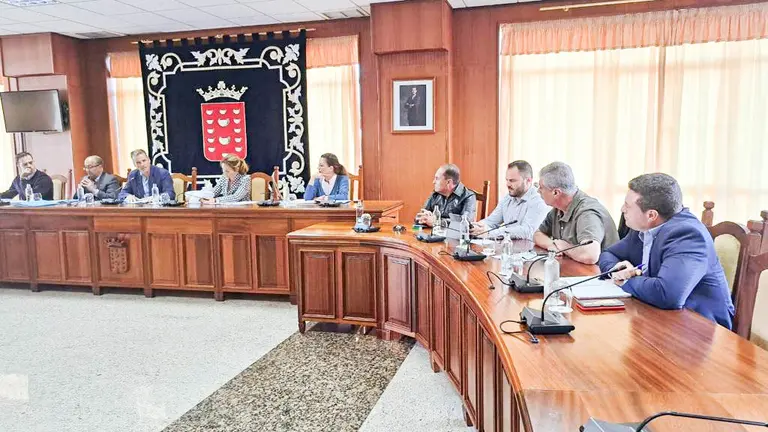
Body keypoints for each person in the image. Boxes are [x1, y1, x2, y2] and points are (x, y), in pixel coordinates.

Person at [599, 173, 733, 329]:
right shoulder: (642, 227)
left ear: (651, 215)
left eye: (627, 206)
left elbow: (667, 294)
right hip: (657, 315)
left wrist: (626, 280)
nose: (622, 209)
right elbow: (609, 254)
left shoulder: (688, 235)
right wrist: (618, 270)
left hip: (699, 328)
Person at [533, 162, 618, 264]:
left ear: (556, 193)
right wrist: (552, 245)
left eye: (541, 187)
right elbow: (538, 234)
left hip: (601, 274)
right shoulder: (558, 209)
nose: (538, 191)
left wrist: (564, 247)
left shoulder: (586, 212)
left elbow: (590, 255)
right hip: (576, 270)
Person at [469, 160, 549, 240]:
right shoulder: (508, 197)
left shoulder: (539, 200)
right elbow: (491, 221)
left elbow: (526, 231)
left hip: (529, 249)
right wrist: (476, 227)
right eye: (507, 180)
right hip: (509, 247)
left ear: (528, 180)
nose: (507, 184)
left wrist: (490, 233)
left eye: (512, 180)